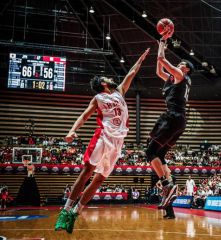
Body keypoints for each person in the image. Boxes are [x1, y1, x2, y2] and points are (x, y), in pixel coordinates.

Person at [54, 48, 150, 233]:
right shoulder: (98, 98)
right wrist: (72, 130)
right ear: (102, 83)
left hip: (118, 142)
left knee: (100, 179)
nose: (110, 78)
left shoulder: (120, 91)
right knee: (88, 170)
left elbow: (131, 73)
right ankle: (65, 211)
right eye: (106, 77)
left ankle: (76, 211)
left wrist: (141, 59)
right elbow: (84, 115)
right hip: (103, 136)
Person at [145, 37, 194, 208]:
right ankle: (170, 185)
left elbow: (162, 60)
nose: (179, 64)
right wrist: (160, 52)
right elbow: (159, 71)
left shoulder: (181, 75)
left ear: (187, 69)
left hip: (173, 117)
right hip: (179, 120)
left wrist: (161, 45)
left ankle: (167, 186)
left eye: (182, 63)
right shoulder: (174, 79)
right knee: (160, 154)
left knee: (150, 151)